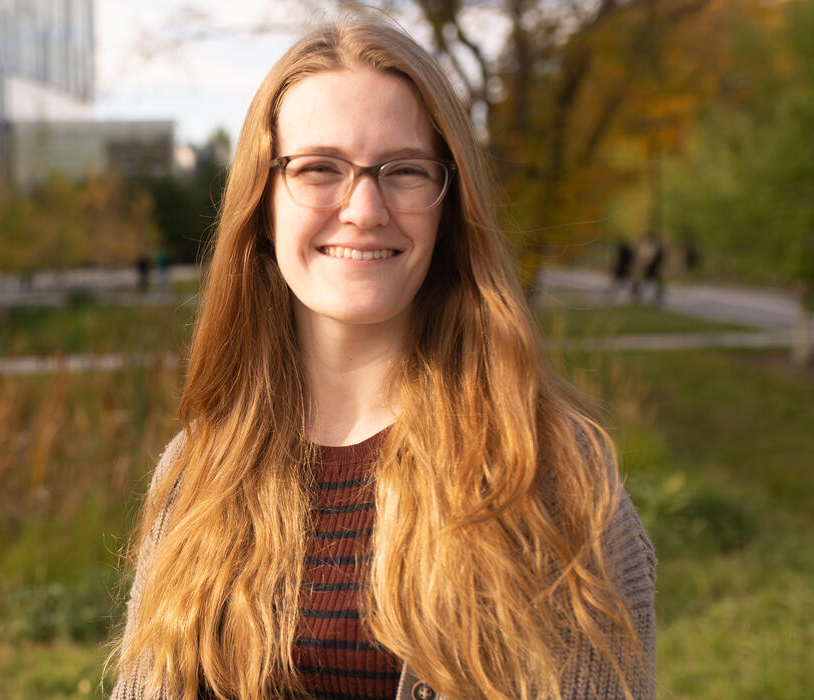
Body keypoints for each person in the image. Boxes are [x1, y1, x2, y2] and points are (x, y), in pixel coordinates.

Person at [109, 18, 655, 700]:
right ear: (263, 202)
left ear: (448, 205)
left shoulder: (550, 477)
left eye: (404, 171)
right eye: (318, 169)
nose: (364, 209)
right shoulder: (197, 471)